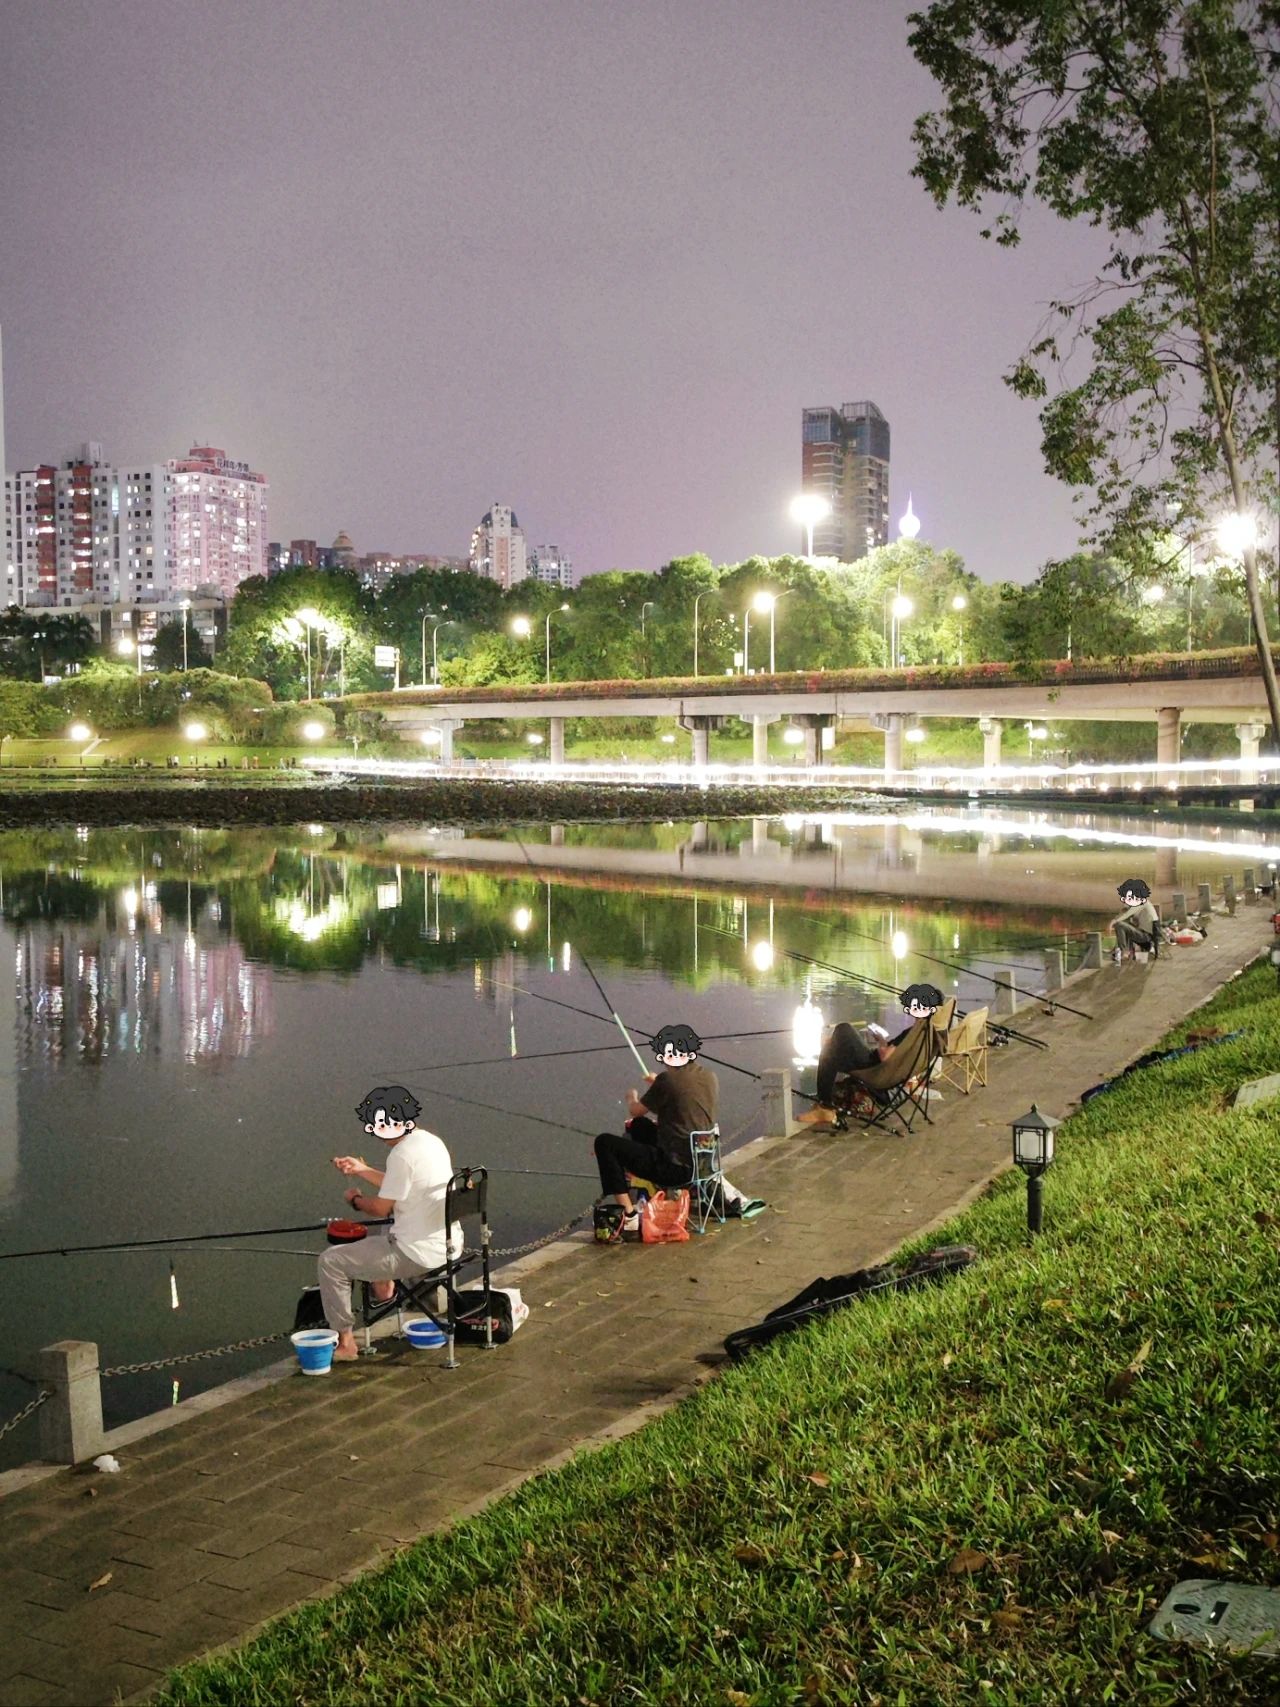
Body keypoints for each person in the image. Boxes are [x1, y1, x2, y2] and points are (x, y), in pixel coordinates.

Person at [320, 1085, 458, 1361]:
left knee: (330, 1261)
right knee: (393, 1223)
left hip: (416, 1253)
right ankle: (384, 1288)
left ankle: (346, 1343)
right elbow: (400, 1186)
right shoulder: (431, 1142)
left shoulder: (401, 1155)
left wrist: (355, 1200)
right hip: (448, 1242)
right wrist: (361, 1170)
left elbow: (380, 1208)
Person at [593, 1023, 716, 1237]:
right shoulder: (709, 1076)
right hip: (703, 1164)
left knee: (604, 1143)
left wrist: (631, 1096)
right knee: (640, 1127)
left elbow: (635, 1110)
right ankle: (649, 1192)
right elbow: (682, 1102)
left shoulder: (667, 1081)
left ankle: (629, 1215)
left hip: (675, 1169)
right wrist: (656, 1084)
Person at [799, 984, 945, 1126]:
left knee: (843, 1029)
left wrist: (882, 1045)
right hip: (887, 1074)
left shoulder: (912, 1033)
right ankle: (824, 1106)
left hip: (875, 1071)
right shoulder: (925, 1034)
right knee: (830, 1051)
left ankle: (825, 1107)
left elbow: (885, 1057)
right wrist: (883, 1042)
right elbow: (895, 1056)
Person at [1110, 878, 1159, 961]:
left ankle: (1124, 952)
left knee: (1119, 924)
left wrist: (1113, 922)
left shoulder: (1141, 902)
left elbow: (1128, 913)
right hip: (1143, 933)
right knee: (1124, 925)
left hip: (1146, 937)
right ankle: (1120, 950)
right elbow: (1126, 911)